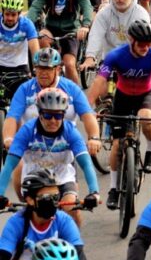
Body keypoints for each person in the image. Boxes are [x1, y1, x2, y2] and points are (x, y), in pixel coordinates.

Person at [87, 20, 151, 209]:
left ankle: (150, 149)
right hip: (123, 98)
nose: (146, 47)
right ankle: (112, 188)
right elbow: (100, 81)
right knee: (117, 145)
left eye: (149, 43)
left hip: (145, 95)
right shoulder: (116, 56)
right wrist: (88, 109)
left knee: (145, 116)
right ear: (131, 40)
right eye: (141, 43)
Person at [0, 88, 100, 227]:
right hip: (34, 179)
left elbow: (86, 164)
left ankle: (75, 246)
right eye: (48, 116)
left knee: (72, 211)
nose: (53, 121)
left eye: (58, 116)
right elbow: (9, 164)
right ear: (40, 114)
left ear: (63, 115)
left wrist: (94, 193)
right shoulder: (27, 130)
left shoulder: (70, 131)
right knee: (31, 218)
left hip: (63, 177)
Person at [0, 172, 94, 260]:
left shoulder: (64, 221)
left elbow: (79, 257)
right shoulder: (16, 223)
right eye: (46, 197)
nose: (53, 201)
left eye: (56, 197)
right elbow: (2, 259)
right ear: (30, 200)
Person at [3, 49, 99, 152]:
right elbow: (12, 116)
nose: (43, 73)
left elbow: (87, 115)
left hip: (64, 150)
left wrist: (94, 138)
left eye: (47, 69)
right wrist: (8, 138)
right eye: (39, 68)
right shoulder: (24, 89)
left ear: (58, 69)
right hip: (31, 150)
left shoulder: (72, 88)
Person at [26, 0, 93, 85]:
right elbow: (36, 7)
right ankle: (46, 82)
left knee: (69, 64)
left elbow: (87, 7)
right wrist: (26, 25)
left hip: (71, 30)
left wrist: (85, 25)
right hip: (51, 29)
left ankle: (75, 95)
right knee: (41, 39)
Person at [80, 0, 150, 72]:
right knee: (99, 84)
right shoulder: (104, 13)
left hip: (133, 57)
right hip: (110, 58)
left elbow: (143, 40)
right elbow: (96, 35)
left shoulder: (141, 13)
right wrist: (90, 57)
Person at [0, 0, 38, 86]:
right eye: (7, 14)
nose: (10, 18)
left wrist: (37, 68)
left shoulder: (27, 24)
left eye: (13, 15)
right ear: (2, 12)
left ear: (19, 14)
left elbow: (35, 50)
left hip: (19, 67)